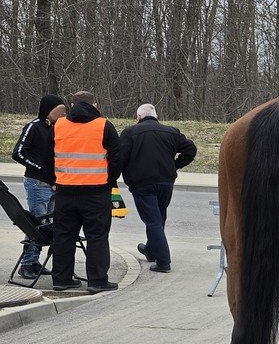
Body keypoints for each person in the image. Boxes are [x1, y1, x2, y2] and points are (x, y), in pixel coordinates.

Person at [51, 91, 122, 293]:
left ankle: (61, 279)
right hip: (96, 191)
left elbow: (48, 155)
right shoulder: (104, 125)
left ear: (72, 105)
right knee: (97, 237)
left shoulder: (59, 125)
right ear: (95, 105)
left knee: (63, 235)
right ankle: (97, 281)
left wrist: (55, 179)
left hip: (65, 191)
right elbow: (117, 159)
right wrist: (109, 181)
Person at [118, 104, 197, 274]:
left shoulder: (130, 133)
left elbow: (120, 158)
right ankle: (150, 250)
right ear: (156, 116)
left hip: (142, 183)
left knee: (153, 221)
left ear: (138, 117)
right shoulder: (171, 132)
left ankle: (163, 262)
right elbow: (191, 150)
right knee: (158, 218)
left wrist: (120, 176)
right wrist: (175, 165)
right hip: (166, 182)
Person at [10, 95, 66, 279]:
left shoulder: (60, 128)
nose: (63, 115)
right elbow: (18, 153)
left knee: (48, 224)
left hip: (54, 183)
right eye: (59, 111)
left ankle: (34, 261)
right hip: (37, 182)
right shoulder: (34, 127)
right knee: (36, 225)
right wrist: (40, 167)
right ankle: (26, 264)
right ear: (48, 111)